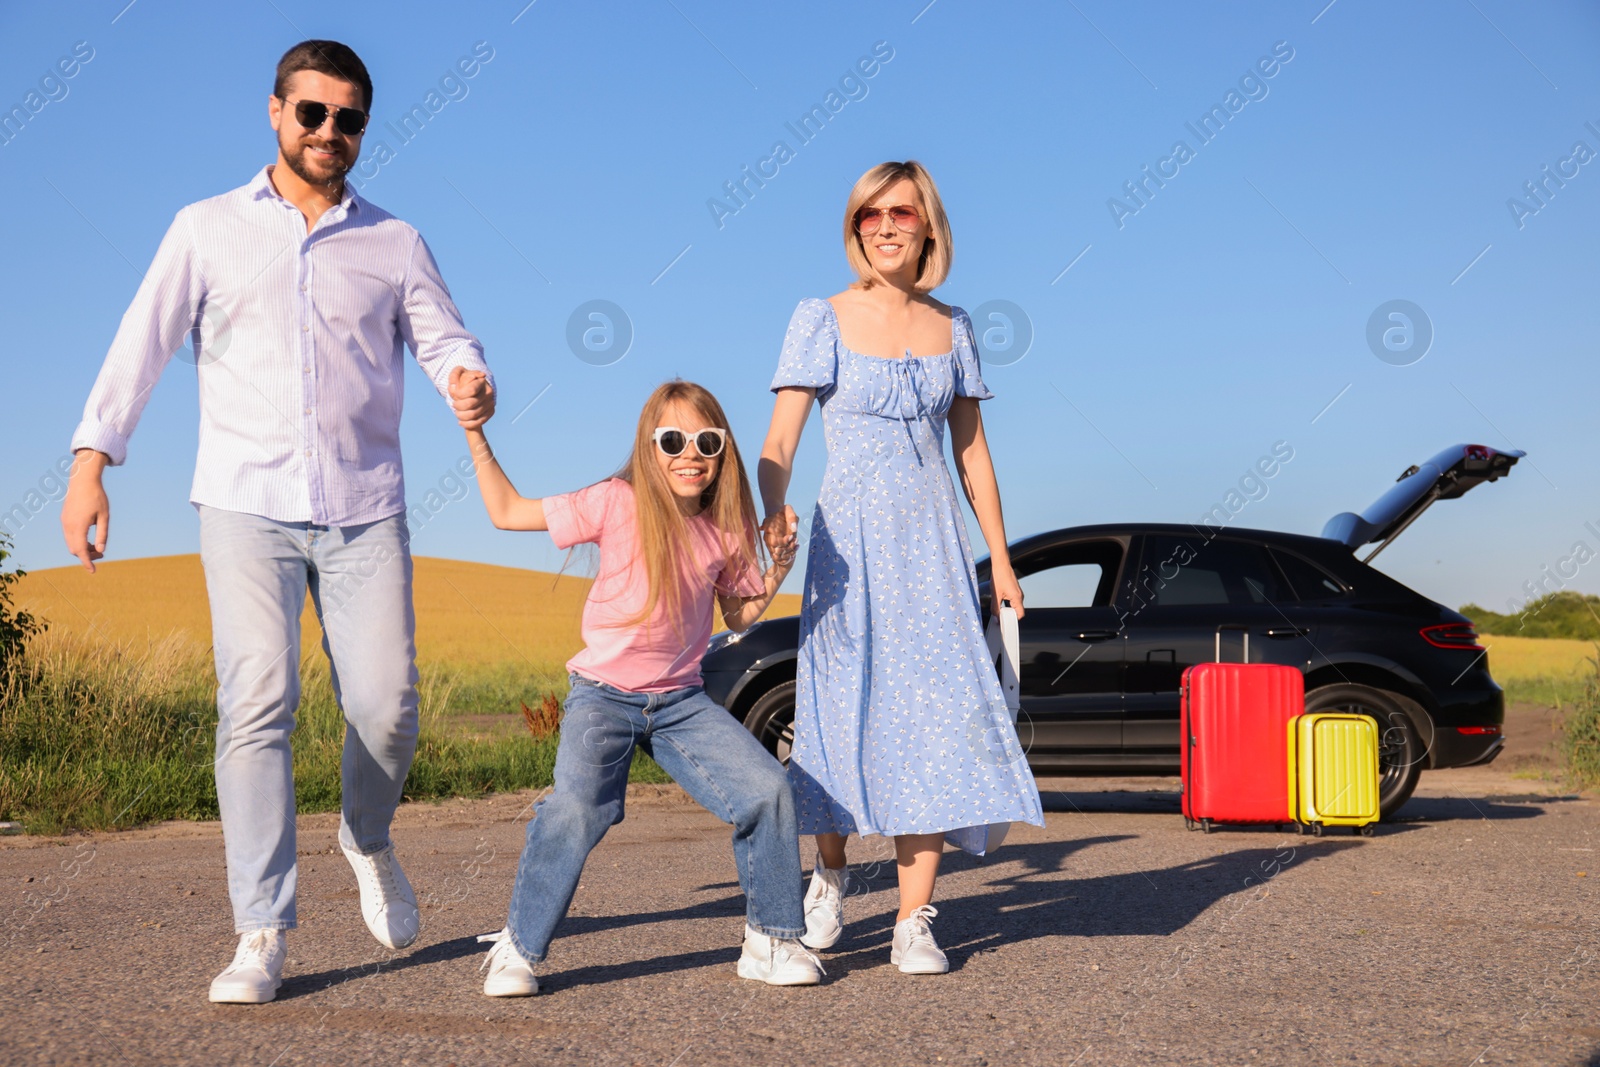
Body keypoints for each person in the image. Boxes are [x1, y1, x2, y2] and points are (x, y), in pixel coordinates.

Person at [58, 40, 496, 1004]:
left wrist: (467, 373)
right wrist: (92, 463)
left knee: (387, 709)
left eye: (348, 119)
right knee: (256, 701)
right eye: (312, 113)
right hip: (244, 503)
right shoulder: (205, 228)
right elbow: (141, 340)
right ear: (274, 112)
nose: (329, 132)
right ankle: (262, 928)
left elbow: (444, 336)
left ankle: (367, 836)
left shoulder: (395, 241)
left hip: (364, 508)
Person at [757, 160, 1044, 974]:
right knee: (837, 714)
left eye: (903, 213)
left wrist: (1002, 560)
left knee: (937, 720)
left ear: (928, 226)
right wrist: (772, 504)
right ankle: (831, 873)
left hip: (933, 551)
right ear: (855, 227)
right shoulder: (821, 316)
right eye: (870, 213)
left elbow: (973, 452)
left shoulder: (954, 325)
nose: (886, 226)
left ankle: (914, 919)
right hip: (845, 550)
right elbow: (778, 442)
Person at [463, 379, 825, 996]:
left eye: (706, 441)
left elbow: (736, 615)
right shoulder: (614, 500)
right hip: (603, 694)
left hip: (681, 702)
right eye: (673, 439)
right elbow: (505, 512)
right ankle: (516, 949)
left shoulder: (725, 525)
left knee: (768, 789)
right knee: (577, 808)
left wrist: (778, 569)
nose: (691, 453)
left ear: (722, 452)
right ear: (649, 445)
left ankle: (772, 939)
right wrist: (475, 431)